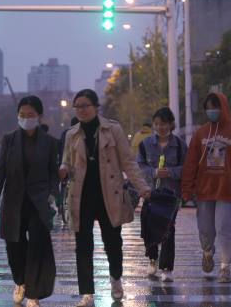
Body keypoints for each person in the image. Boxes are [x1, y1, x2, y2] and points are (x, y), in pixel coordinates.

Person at [59, 89, 151, 307]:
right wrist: (63, 168)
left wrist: (143, 188)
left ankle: (116, 277)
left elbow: (128, 162)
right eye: (77, 106)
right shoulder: (71, 134)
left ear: (96, 107)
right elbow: (66, 161)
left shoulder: (113, 129)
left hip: (109, 194)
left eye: (85, 106)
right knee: (83, 245)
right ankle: (87, 293)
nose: (81, 110)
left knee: (112, 242)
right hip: (81, 196)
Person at [0, 96, 59, 307]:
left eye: (31, 115)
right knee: (14, 247)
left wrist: (53, 193)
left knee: (36, 246)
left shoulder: (50, 142)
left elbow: (54, 173)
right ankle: (21, 282)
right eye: (22, 115)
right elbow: (0, 174)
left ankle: (33, 294)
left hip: (39, 203)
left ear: (39, 116)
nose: (26, 118)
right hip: (14, 202)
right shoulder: (9, 140)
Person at [181, 92, 231, 283]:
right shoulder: (200, 134)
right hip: (205, 191)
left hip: (228, 190)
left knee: (224, 228)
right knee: (206, 229)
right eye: (208, 107)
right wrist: (187, 189)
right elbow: (190, 163)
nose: (211, 111)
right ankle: (207, 252)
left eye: (215, 106)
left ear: (223, 107)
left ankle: (225, 267)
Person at [137, 107, 187, 282]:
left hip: (171, 196)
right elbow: (139, 167)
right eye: (157, 124)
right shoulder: (145, 144)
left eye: (164, 124)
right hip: (150, 193)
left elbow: (186, 168)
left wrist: (171, 172)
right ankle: (152, 258)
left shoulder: (180, 145)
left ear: (171, 124)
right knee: (149, 227)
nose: (160, 127)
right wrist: (153, 172)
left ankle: (166, 267)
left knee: (168, 229)